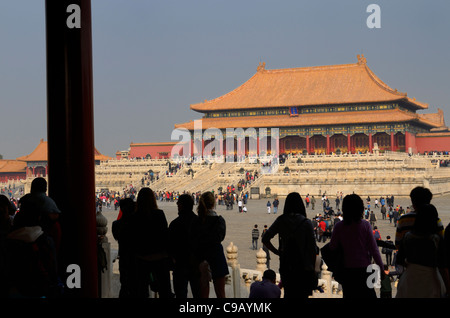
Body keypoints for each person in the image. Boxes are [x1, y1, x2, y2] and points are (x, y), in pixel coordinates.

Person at [262, 192, 318, 298]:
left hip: (286, 265)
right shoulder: (306, 223)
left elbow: (265, 239)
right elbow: (312, 249)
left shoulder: (281, 220)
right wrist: (313, 269)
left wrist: (277, 252)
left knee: (289, 294)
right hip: (303, 267)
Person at [328, 194, 385, 298]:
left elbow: (332, 247)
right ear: (360, 209)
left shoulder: (339, 226)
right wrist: (381, 269)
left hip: (347, 272)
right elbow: (374, 250)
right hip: (364, 270)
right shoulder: (365, 225)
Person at [4, 193, 59, 298]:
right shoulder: (46, 240)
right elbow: (53, 271)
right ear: (39, 217)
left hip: (16, 290)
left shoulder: (7, 241)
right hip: (41, 290)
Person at [129, 187, 173, 298]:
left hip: (141, 258)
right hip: (159, 257)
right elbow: (164, 235)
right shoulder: (159, 214)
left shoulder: (134, 217)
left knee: (142, 291)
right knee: (165, 290)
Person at [396, 204, 446, 298]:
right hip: (431, 280)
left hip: (410, 278)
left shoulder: (407, 237)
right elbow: (443, 265)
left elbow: (399, 259)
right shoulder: (436, 239)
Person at [190, 191, 229, 298]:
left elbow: (194, 239)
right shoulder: (219, 221)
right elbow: (220, 238)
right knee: (221, 294)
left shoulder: (196, 221)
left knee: (203, 295)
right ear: (213, 203)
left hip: (200, 257)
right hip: (216, 256)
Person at [168, 194, 200, 298]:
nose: (177, 206)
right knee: (198, 293)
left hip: (180, 264)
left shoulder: (175, 224)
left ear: (181, 205)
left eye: (178, 204)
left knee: (180, 294)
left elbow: (169, 245)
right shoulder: (199, 222)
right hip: (196, 264)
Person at [111, 198, 136, 298]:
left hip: (124, 257)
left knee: (125, 286)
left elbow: (117, 237)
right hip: (137, 259)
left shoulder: (116, 224)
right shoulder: (138, 223)